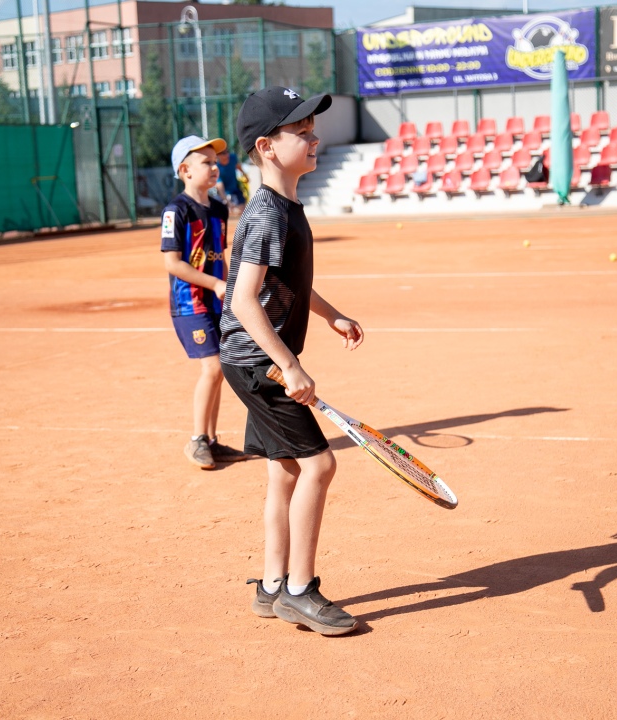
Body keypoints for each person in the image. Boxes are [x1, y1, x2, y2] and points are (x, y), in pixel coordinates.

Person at [219, 87, 365, 636]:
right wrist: (291, 365)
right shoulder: (267, 214)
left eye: (312, 130)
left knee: (285, 471)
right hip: (259, 363)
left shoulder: (283, 207)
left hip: (256, 358)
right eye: (300, 133)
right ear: (267, 147)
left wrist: (329, 314)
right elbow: (243, 300)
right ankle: (301, 591)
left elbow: (289, 284)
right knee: (320, 465)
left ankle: (273, 584)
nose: (314, 139)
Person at [161, 135, 253, 470]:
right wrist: (214, 283)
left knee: (221, 371)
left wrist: (229, 292)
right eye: (206, 163)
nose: (215, 167)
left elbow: (219, 255)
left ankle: (212, 441)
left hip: (216, 301)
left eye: (216, 162)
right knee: (212, 367)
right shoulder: (176, 210)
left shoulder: (218, 209)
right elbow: (173, 263)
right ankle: (197, 440)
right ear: (184, 170)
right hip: (190, 303)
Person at [216, 147, 245, 215]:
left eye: (227, 152)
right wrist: (227, 202)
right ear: (218, 155)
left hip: (235, 190)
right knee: (228, 212)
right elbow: (220, 187)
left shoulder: (233, 158)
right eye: (223, 153)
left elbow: (238, 166)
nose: (226, 155)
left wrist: (244, 175)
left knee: (242, 210)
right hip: (224, 194)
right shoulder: (217, 168)